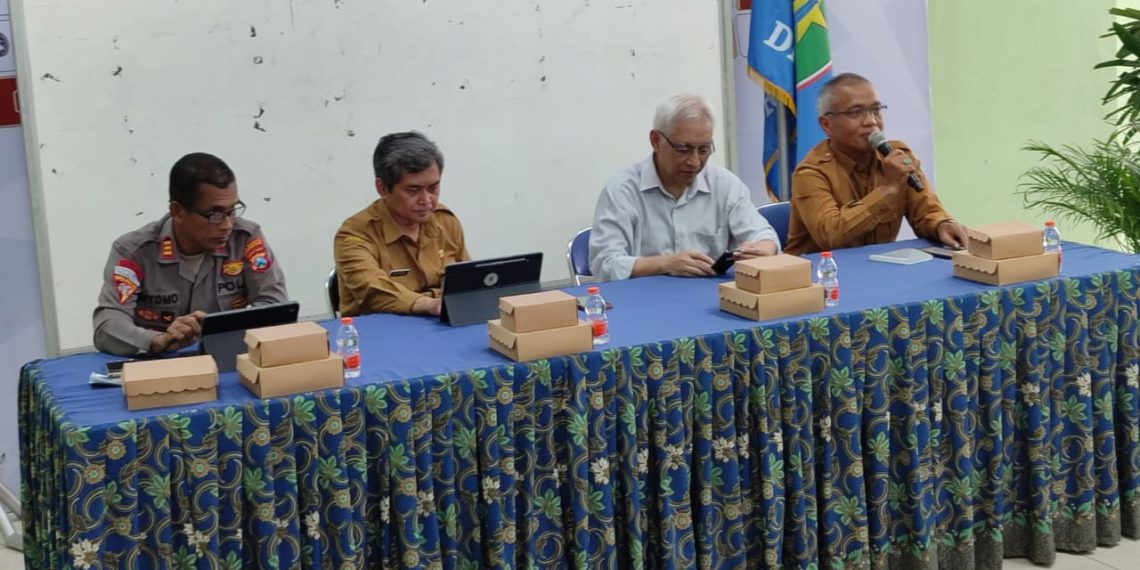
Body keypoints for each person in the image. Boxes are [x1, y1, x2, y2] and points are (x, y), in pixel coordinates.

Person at [93, 152, 288, 356]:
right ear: (177, 211)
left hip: (228, 361)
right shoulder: (133, 252)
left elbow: (275, 307)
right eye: (214, 214)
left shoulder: (245, 238)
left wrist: (221, 327)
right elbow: (108, 325)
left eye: (232, 211)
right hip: (159, 366)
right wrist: (156, 340)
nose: (227, 225)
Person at [589, 94, 781, 281]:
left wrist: (765, 247)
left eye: (704, 150)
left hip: (711, 301)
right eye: (683, 149)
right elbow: (604, 264)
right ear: (656, 140)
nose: (694, 162)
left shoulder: (725, 185)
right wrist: (664, 264)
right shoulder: (622, 191)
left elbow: (763, 234)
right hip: (643, 302)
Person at [785, 72, 968, 255]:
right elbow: (831, 236)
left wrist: (942, 224)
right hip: (818, 276)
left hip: (878, 269)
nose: (872, 122)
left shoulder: (897, 158)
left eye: (876, 110)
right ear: (827, 125)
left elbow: (926, 211)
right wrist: (887, 190)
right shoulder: (810, 173)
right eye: (856, 113)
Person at [334, 131, 470, 317]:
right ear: (382, 188)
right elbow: (373, 291)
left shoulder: (445, 221)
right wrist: (430, 303)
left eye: (433, 188)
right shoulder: (355, 234)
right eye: (413, 190)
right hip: (381, 332)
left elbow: (467, 283)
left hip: (440, 323)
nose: (427, 200)